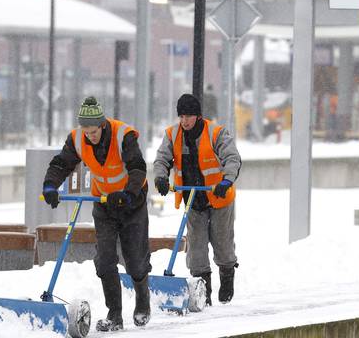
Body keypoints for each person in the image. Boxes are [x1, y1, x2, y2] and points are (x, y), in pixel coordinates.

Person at [42, 96, 151, 331]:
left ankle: (143, 298)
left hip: (132, 202)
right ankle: (115, 315)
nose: (89, 136)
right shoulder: (77, 139)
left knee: (134, 260)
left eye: (93, 131)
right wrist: (50, 185)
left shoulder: (124, 136)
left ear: (103, 125)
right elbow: (62, 164)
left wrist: (128, 194)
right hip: (103, 204)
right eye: (86, 131)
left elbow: (138, 168)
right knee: (104, 260)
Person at [153, 93, 241, 306]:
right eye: (181, 116)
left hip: (219, 196)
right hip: (192, 198)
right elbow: (162, 159)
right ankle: (204, 291)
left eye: (189, 116)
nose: (184, 121)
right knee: (196, 246)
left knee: (222, 242)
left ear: (198, 116)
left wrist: (226, 180)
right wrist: (161, 177)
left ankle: (227, 276)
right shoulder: (173, 135)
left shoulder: (216, 133)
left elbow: (232, 158)